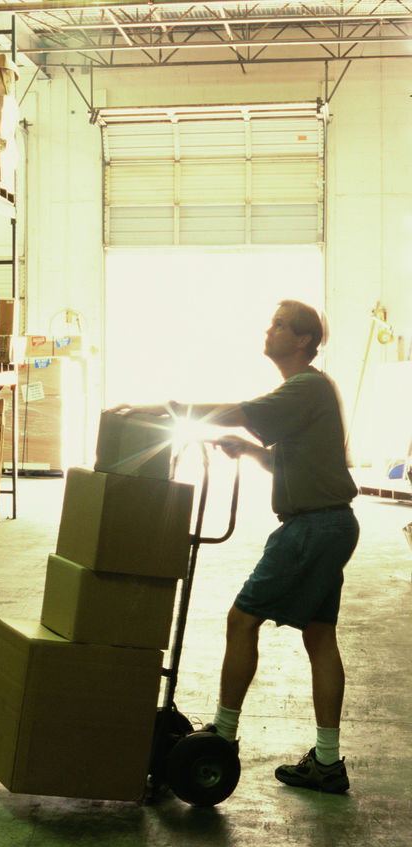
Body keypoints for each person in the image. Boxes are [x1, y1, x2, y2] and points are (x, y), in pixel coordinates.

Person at [134, 299, 359, 793]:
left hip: (311, 529)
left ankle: (224, 733)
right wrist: (254, 451)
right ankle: (326, 761)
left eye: (279, 325)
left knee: (242, 620)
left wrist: (165, 407)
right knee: (319, 637)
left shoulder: (306, 386)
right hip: (331, 524)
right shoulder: (303, 392)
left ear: (302, 340)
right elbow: (292, 464)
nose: (269, 329)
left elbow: (238, 411)